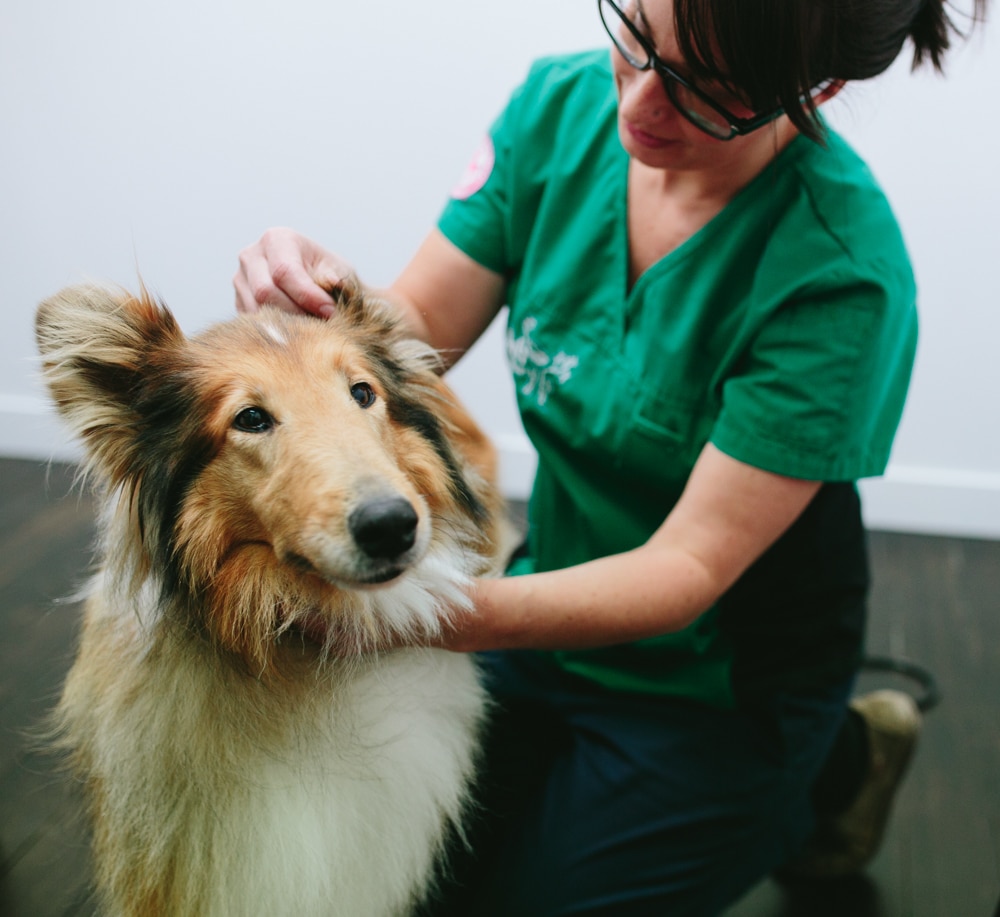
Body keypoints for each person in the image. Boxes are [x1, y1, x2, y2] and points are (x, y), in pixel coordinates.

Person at [233, 0, 986, 912]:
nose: (637, 107)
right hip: (552, 596)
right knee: (410, 878)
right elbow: (416, 332)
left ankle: (827, 764)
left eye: (706, 92)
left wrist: (425, 617)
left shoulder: (839, 275)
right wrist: (324, 294)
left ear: (814, 91)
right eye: (634, 37)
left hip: (718, 682)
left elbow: (687, 567)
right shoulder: (558, 107)